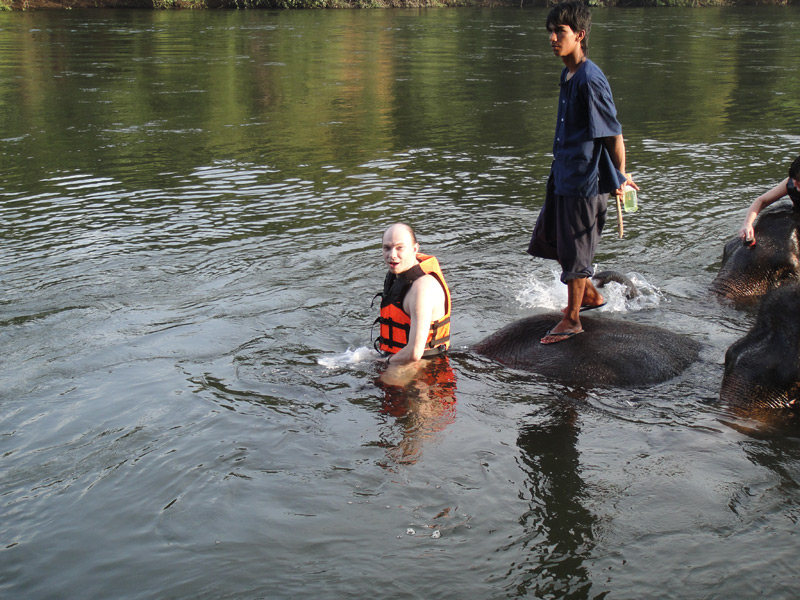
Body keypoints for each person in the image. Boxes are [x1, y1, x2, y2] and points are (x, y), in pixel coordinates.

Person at [527, 0, 638, 345]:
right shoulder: (568, 73)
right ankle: (589, 294)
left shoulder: (590, 79)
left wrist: (619, 175)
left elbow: (613, 134)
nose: (553, 38)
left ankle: (573, 319)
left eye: (560, 31)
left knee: (575, 251)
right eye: (551, 31)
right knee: (552, 240)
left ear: (580, 35)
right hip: (564, 173)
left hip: (584, 181)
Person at [373, 223, 451, 366]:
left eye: (399, 248)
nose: (392, 255)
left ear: (414, 249)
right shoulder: (400, 273)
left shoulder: (422, 289)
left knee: (371, 385)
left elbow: (415, 353)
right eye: (387, 248)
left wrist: (385, 361)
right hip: (399, 354)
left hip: (424, 363)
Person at [739, 155, 800, 244]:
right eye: (794, 180)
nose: (795, 186)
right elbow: (761, 201)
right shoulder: (789, 183)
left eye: (799, 183)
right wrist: (747, 224)